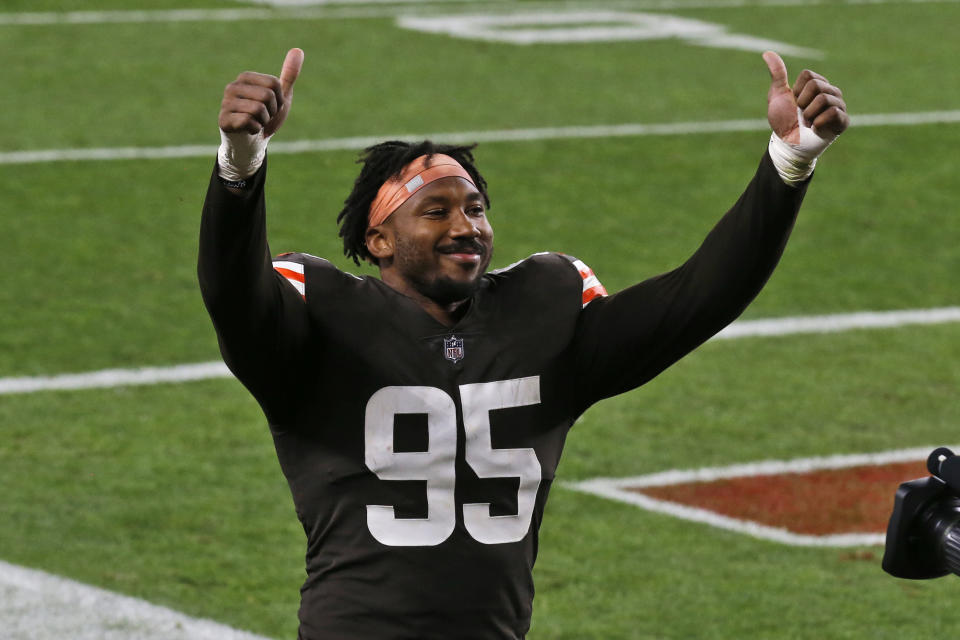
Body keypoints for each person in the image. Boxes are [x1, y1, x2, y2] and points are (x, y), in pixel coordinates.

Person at [199, 47, 848, 639]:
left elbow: (695, 299)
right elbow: (232, 290)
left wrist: (789, 162)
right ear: (379, 242)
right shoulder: (322, 317)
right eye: (436, 210)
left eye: (476, 208)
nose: (466, 225)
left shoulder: (541, 314)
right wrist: (240, 165)